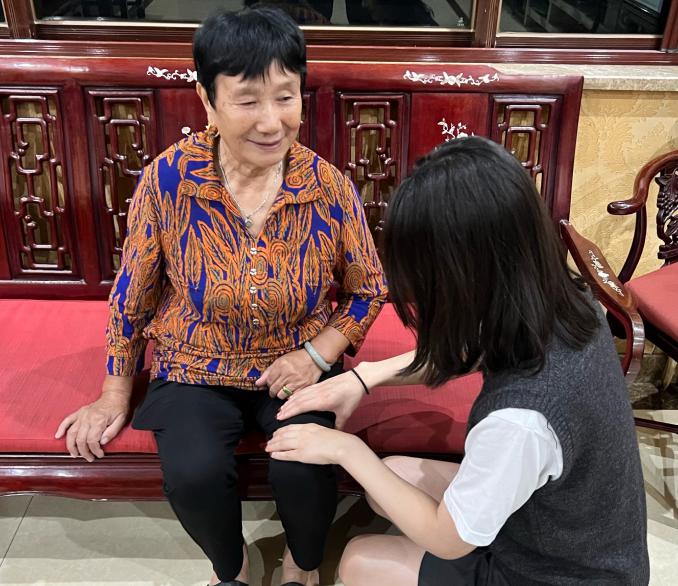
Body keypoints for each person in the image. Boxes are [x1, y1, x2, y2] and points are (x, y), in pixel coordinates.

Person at [54, 7, 387, 586]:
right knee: (194, 473)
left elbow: (368, 290)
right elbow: (133, 294)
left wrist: (316, 355)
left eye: (285, 97)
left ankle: (303, 565)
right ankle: (230, 569)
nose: (271, 122)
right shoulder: (169, 181)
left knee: (306, 467)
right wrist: (113, 392)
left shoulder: (328, 187)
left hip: (295, 362)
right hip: (195, 362)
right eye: (247, 100)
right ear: (207, 101)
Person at [268, 137, 650, 585]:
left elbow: (448, 540)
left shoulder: (520, 420)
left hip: (560, 574)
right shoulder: (565, 302)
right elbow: (471, 351)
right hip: (573, 527)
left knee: (359, 562)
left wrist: (345, 449)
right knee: (390, 476)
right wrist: (365, 378)